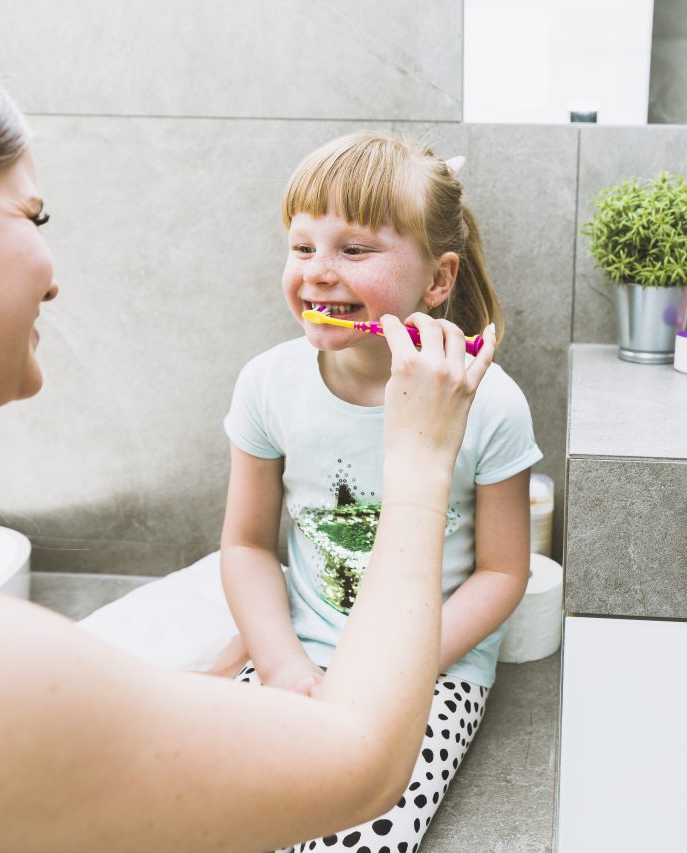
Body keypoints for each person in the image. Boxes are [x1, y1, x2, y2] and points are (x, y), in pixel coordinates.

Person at [0, 13, 496, 852]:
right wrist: (421, 455)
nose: (54, 276)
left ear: (438, 278)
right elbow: (358, 767)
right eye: (35, 217)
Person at [219, 131, 539, 852]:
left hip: (434, 666)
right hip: (297, 651)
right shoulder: (268, 384)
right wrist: (281, 664)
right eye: (302, 247)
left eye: (354, 251)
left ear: (437, 279)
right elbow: (244, 544)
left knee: (349, 835)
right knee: (207, 812)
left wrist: (397, 666)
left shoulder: (488, 403)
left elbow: (503, 571)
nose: (318, 273)